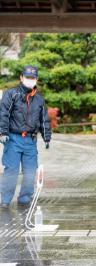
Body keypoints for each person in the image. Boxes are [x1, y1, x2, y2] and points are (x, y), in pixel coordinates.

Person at [0, 65, 52, 208]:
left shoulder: (39, 99)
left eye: (33, 78)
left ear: (36, 79)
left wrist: (47, 137)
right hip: (13, 138)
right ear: (21, 77)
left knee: (30, 171)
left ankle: (24, 199)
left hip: (30, 140)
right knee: (11, 170)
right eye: (27, 77)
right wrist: (2, 132)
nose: (30, 80)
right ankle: (5, 199)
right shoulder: (12, 94)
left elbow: (44, 120)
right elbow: (3, 113)